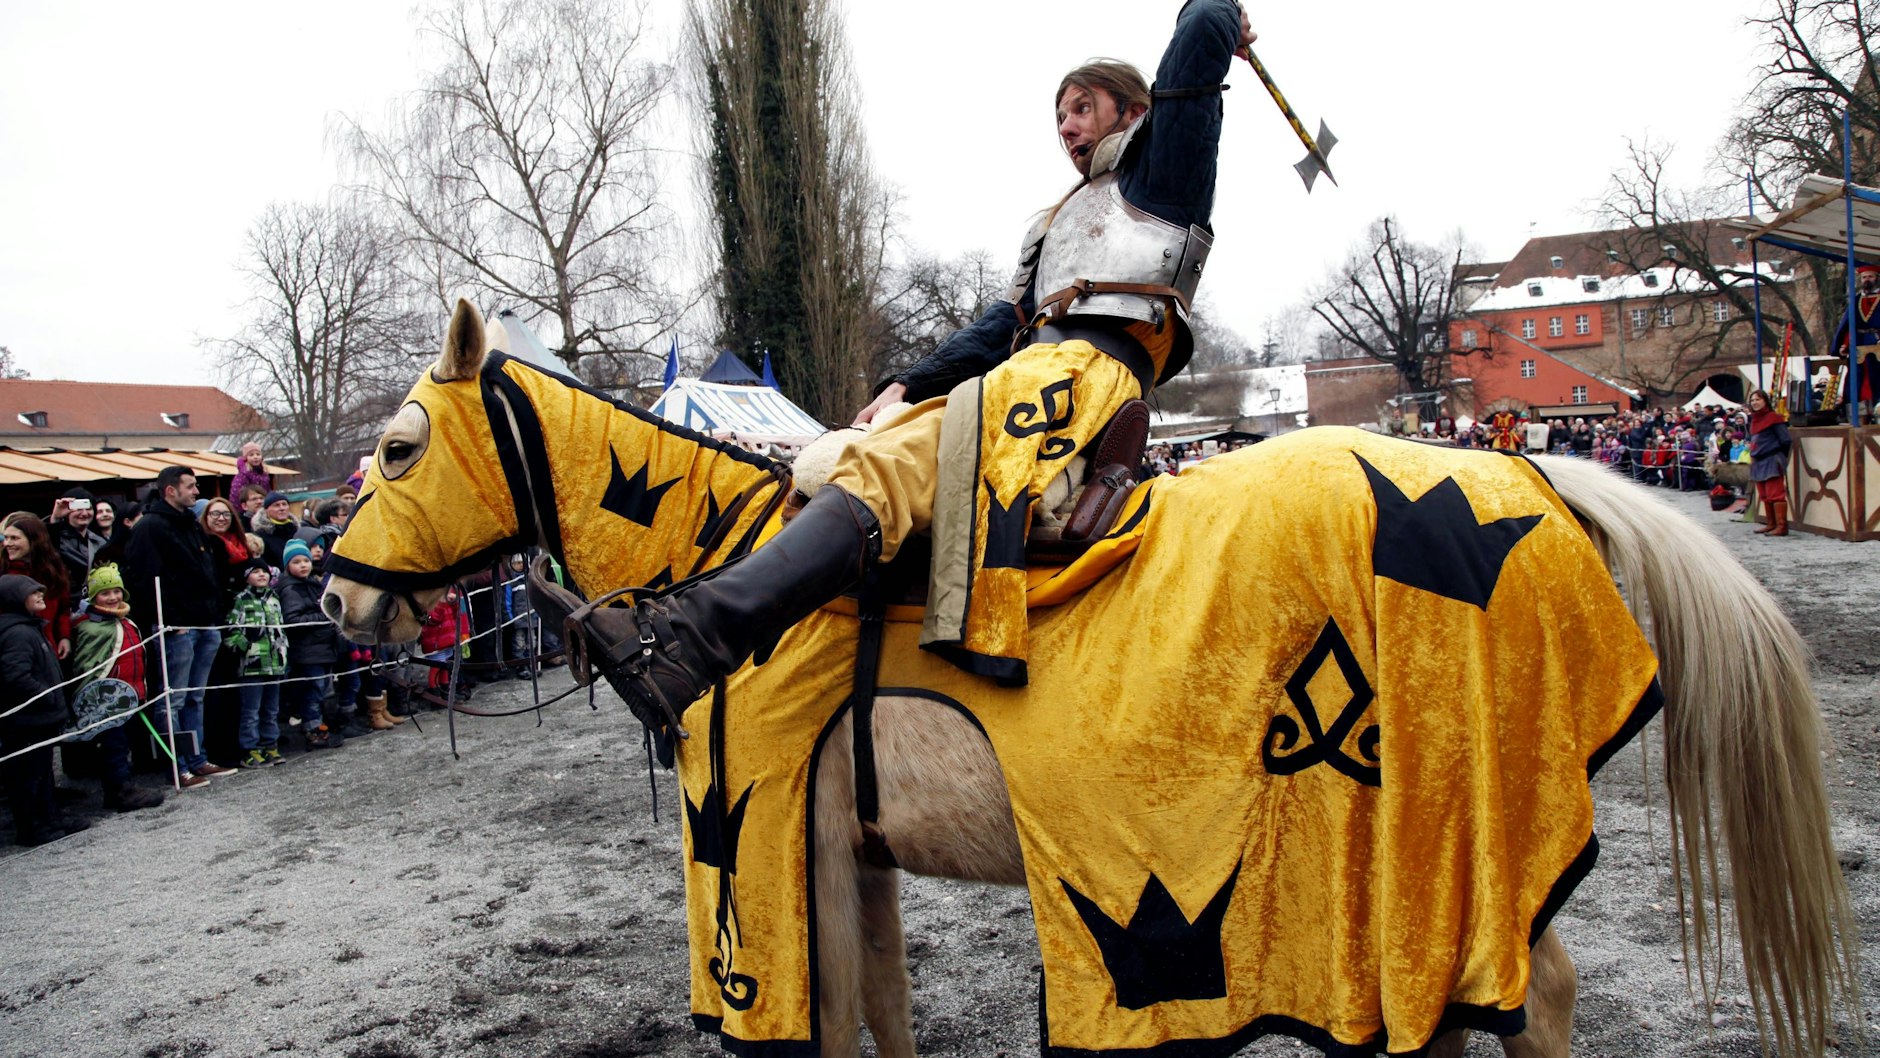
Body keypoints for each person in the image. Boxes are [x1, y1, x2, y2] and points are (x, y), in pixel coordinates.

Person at [568, 0, 1257, 717]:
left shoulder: (1165, 178)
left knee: (897, 466)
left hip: (1087, 380)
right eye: (1058, 115)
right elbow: (1006, 324)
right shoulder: (1056, 223)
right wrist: (908, 382)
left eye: (1083, 107)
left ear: (1136, 111)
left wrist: (1218, 17)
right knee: (854, 452)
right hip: (1022, 372)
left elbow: (1201, 31)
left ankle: (693, 642)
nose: (1066, 126)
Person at [122, 465, 234, 784]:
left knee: (195, 695)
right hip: (176, 628)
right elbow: (146, 579)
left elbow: (205, 571)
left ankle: (198, 758)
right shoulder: (150, 528)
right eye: (191, 486)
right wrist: (171, 620)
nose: (197, 492)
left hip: (204, 623)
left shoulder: (190, 524)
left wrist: (212, 614)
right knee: (174, 697)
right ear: (171, 490)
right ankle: (178, 764)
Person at [68, 563, 164, 811]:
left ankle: (123, 784)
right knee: (114, 745)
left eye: (116, 591)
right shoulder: (91, 627)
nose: (112, 598)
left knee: (122, 744)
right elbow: (87, 668)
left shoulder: (126, 622)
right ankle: (119, 791)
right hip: (106, 702)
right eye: (105, 593)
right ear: (93, 596)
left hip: (126, 697)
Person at [0, 574, 86, 845]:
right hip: (28, 720)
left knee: (43, 772)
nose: (40, 596)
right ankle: (34, 827)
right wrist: (48, 697)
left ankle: (50, 818)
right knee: (28, 776)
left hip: (37, 718)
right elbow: (16, 676)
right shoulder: (17, 633)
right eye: (32, 592)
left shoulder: (28, 628)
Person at [278, 539, 343, 749]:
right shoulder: (290, 589)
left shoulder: (313, 584)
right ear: (287, 565)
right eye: (297, 561)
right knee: (312, 691)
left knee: (322, 690)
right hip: (307, 650)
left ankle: (321, 727)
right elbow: (292, 620)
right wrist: (323, 616)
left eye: (306, 560)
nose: (303, 565)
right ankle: (313, 730)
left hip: (323, 647)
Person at [224, 558, 288, 767]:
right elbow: (231, 631)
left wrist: (283, 650)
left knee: (271, 708)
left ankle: (270, 745)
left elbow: (281, 628)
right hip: (252, 664)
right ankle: (250, 749)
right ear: (246, 576)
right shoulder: (241, 600)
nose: (262, 575)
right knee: (251, 710)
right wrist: (245, 644)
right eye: (256, 571)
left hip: (275, 662)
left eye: (265, 571)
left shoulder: (274, 598)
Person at [2, 513, 74, 662]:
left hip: (49, 651)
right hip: (15, 653)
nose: (8, 543)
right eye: (6, 538)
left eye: (14, 538)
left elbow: (64, 608)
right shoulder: (4, 573)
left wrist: (64, 636)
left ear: (34, 540)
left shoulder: (53, 571)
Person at [48, 487, 108, 602]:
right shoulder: (56, 537)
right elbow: (47, 552)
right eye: (78, 509)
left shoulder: (99, 541)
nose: (84, 513)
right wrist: (55, 518)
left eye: (89, 508)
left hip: (93, 603)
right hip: (64, 602)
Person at [1747, 389, 1792, 537]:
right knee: (1765, 495)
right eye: (1752, 400)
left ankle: (1781, 526)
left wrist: (1779, 456)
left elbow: (1785, 440)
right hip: (1758, 460)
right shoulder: (1753, 420)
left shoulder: (1774, 418)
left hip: (1771, 458)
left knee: (1775, 494)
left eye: (1758, 399)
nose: (1755, 402)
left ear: (1765, 401)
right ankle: (1771, 523)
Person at [254, 492, 301, 567]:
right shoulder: (261, 535)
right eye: (276, 505)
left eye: (284, 504)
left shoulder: (297, 530)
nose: (282, 508)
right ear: (266, 510)